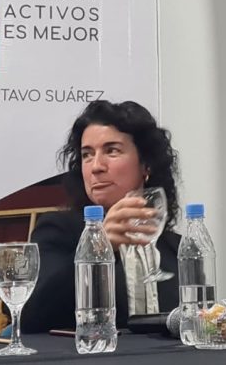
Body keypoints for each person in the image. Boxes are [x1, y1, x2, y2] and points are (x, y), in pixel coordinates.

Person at [23, 99, 181, 332]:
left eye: (112, 151)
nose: (96, 166)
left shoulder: (175, 247)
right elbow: (29, 317)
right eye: (87, 154)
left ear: (146, 165)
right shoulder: (57, 230)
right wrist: (98, 248)